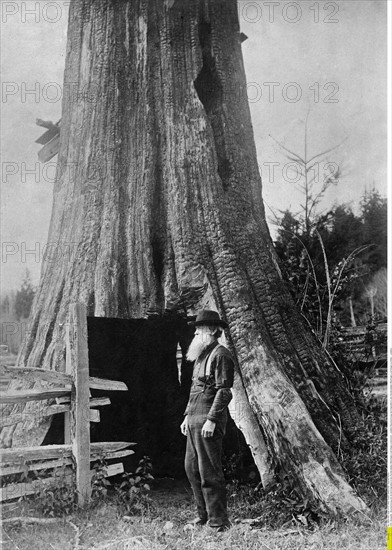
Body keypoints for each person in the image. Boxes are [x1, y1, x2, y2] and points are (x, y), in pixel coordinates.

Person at [180, 309, 234, 531]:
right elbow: (195, 390)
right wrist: (186, 416)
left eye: (199, 329)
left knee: (209, 472)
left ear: (212, 330)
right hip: (194, 419)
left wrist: (212, 419)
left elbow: (225, 391)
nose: (195, 333)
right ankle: (203, 516)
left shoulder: (221, 354)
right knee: (191, 468)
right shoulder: (201, 355)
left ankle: (218, 522)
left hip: (208, 419)